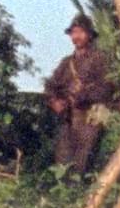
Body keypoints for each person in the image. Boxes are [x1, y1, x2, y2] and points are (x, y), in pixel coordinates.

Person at [44, 14, 115, 176]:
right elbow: (51, 85)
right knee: (62, 165)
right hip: (68, 120)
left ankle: (82, 198)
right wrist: (55, 101)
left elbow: (107, 87)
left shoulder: (100, 59)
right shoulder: (66, 63)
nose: (77, 36)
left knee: (83, 165)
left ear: (89, 34)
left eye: (81, 32)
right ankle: (64, 199)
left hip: (90, 119)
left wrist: (83, 95)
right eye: (74, 32)